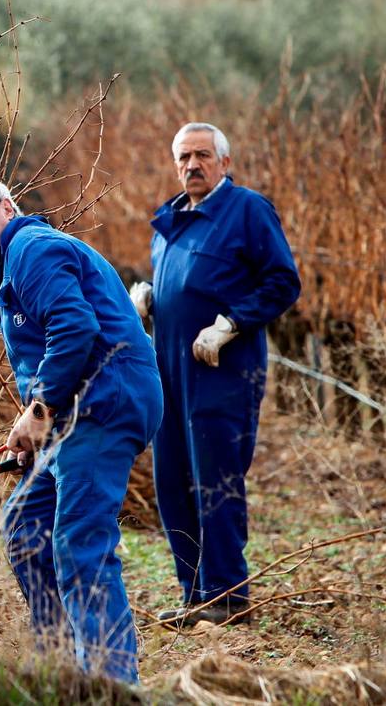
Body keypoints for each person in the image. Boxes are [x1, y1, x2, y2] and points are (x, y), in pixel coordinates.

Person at [0, 177, 162, 685]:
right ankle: (61, 669)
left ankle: (111, 685)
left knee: (78, 542)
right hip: (74, 412)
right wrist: (37, 430)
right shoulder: (13, 265)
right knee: (25, 526)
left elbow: (74, 328)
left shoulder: (31, 248)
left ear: (7, 207)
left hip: (104, 404)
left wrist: (39, 411)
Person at [130, 122, 300, 626]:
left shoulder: (246, 210)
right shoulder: (173, 220)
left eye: (203, 155)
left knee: (216, 482)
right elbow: (185, 286)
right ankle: (195, 595)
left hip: (223, 373)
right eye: (183, 157)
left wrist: (231, 322)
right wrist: (149, 300)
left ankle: (228, 596)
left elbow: (282, 281)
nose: (192, 165)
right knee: (172, 484)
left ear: (225, 162)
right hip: (171, 375)